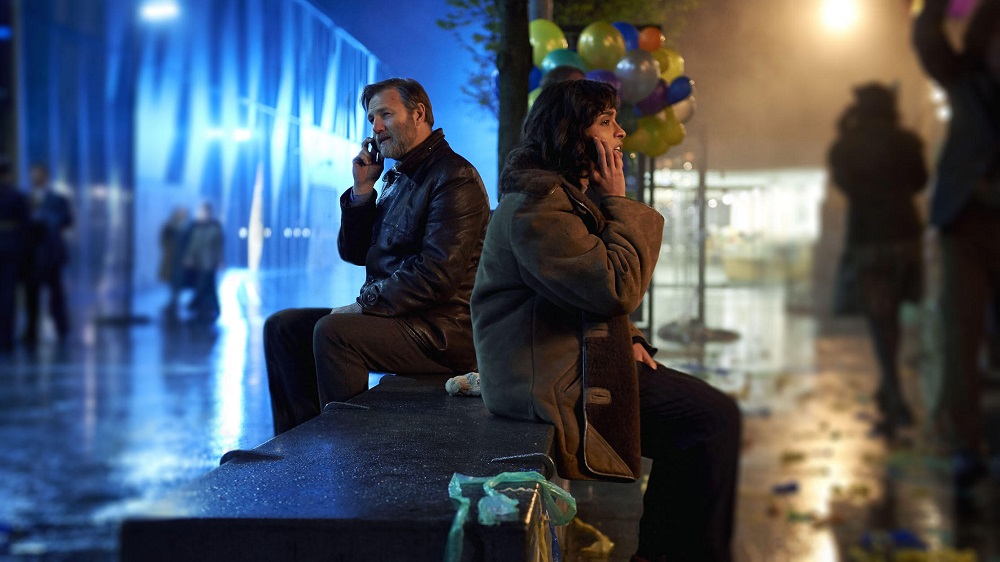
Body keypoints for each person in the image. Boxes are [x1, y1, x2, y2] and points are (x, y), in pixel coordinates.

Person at [471, 80, 741, 562]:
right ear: (572, 133)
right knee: (711, 420)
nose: (620, 133)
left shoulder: (560, 199)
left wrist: (628, 337)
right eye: (605, 121)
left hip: (571, 359)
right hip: (549, 380)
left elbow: (584, 288)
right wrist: (620, 202)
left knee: (704, 423)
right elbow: (615, 288)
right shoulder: (537, 209)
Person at [264, 77, 490, 435]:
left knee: (335, 332)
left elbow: (437, 275)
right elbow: (355, 252)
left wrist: (364, 305)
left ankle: (351, 447)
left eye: (386, 114)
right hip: (400, 316)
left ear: (418, 114)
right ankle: (299, 442)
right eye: (372, 118)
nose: (376, 127)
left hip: (441, 332)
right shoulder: (396, 178)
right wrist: (362, 189)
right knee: (284, 328)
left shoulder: (454, 177)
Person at [914, 0, 1000, 491]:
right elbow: (927, 38)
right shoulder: (964, 78)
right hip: (965, 223)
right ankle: (967, 445)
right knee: (961, 336)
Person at [828, 83, 928, 439]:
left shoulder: (847, 145)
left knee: (880, 320)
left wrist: (844, 129)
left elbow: (844, 183)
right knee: (892, 318)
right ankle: (890, 392)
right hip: (905, 238)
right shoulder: (907, 141)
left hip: (868, 241)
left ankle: (894, 396)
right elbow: (920, 182)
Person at [23, 164, 73, 345]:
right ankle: (31, 331)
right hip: (31, 254)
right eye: (33, 175)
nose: (35, 179)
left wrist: (45, 220)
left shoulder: (58, 199)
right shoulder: (25, 198)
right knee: (31, 294)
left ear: (46, 176)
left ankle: (62, 329)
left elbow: (67, 220)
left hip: (51, 253)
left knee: (56, 294)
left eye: (38, 175)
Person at [0, 161, 30, 353]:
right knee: (8, 295)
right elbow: (25, 226)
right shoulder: (17, 196)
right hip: (10, 249)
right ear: (8, 175)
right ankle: (6, 339)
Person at [182, 202, 224, 323]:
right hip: (198, 262)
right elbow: (192, 244)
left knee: (205, 285)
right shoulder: (196, 227)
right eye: (201, 212)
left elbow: (218, 246)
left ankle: (195, 305)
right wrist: (189, 257)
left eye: (204, 212)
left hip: (209, 261)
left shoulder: (215, 228)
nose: (202, 215)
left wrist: (220, 260)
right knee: (208, 287)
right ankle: (207, 309)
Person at [159, 206, 192, 319]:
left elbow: (190, 243)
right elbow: (164, 241)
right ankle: (173, 302)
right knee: (172, 282)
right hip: (171, 259)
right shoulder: (170, 227)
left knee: (178, 281)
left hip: (181, 259)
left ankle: (175, 302)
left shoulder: (188, 228)